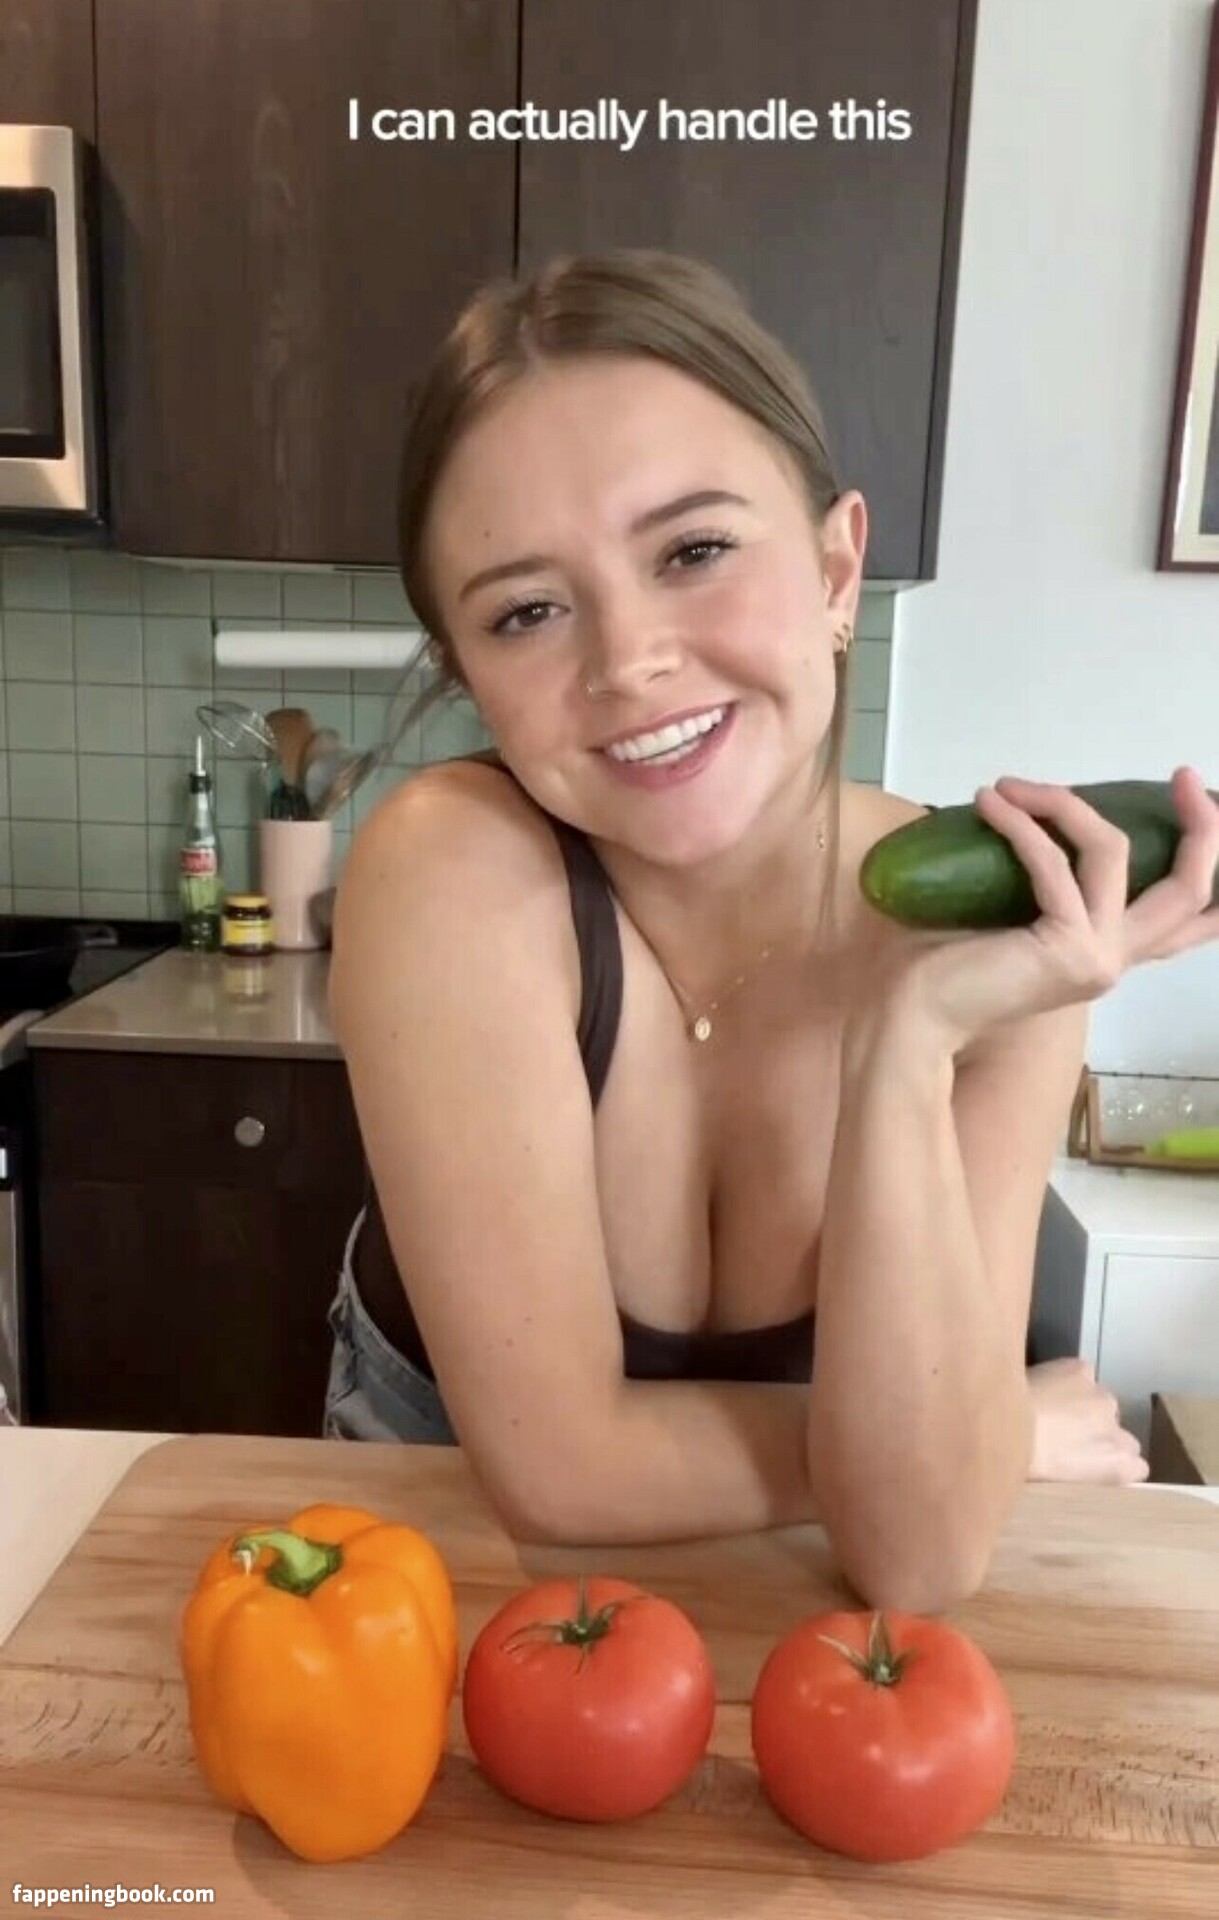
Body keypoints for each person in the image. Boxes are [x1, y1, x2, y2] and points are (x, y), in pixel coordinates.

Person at [325, 250, 1219, 1610]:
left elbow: (917, 1557)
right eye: (527, 611)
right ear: (467, 672)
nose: (629, 661)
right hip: (444, 1573)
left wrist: (911, 1037)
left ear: (836, 567)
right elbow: (558, 1476)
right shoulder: (447, 871)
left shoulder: (1009, 940)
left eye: (694, 551)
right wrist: (983, 1441)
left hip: (821, 1626)